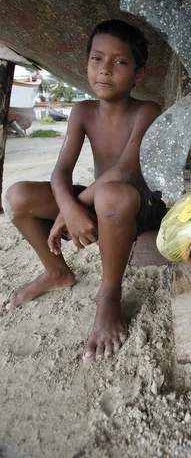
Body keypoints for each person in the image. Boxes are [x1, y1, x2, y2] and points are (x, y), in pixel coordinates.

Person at [5, 19, 166, 361]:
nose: (105, 70)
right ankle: (56, 271)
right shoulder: (82, 111)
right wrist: (69, 207)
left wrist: (70, 210)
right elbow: (60, 171)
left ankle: (108, 296)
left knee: (112, 193)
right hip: (96, 200)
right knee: (17, 196)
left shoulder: (147, 110)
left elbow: (124, 170)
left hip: (138, 204)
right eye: (97, 59)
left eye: (120, 62)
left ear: (139, 74)